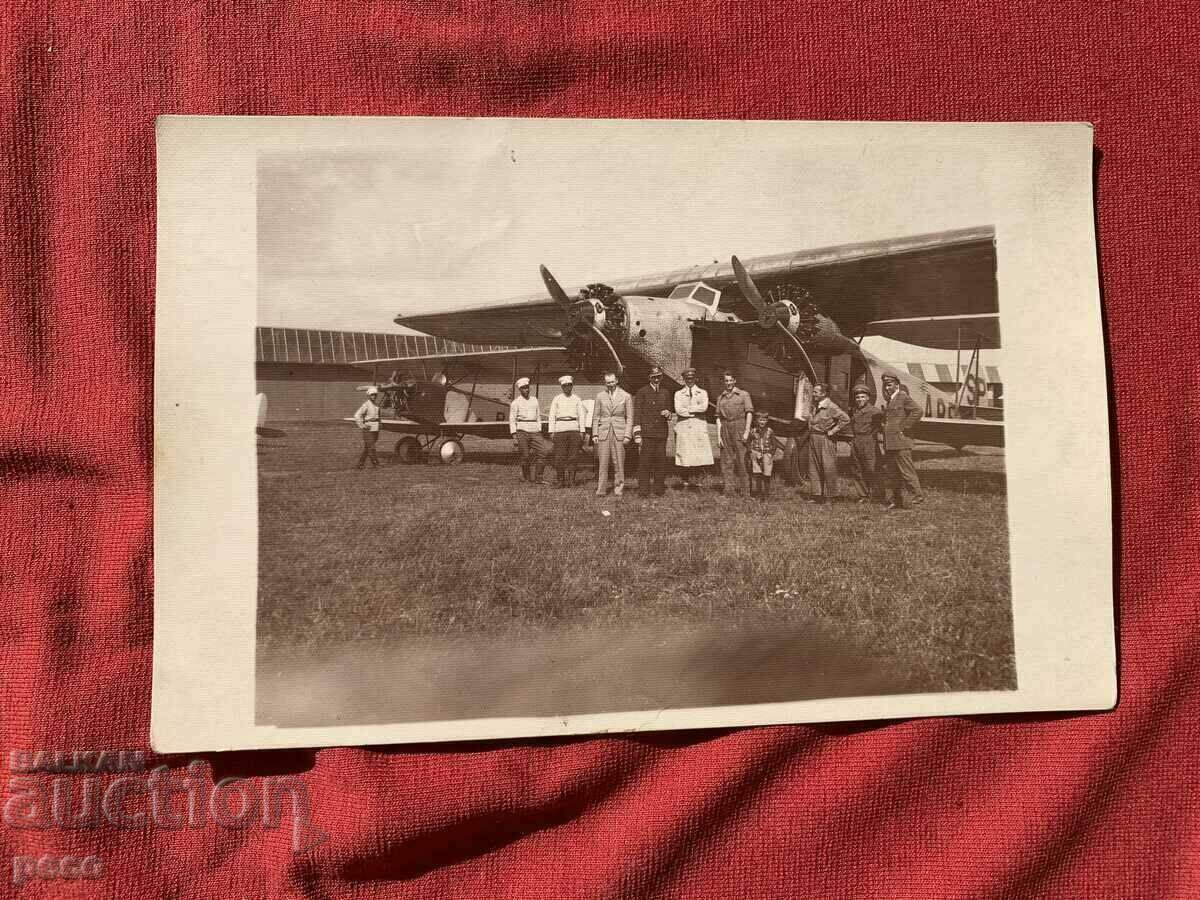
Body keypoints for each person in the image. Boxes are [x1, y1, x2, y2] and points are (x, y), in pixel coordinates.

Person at [880, 373, 924, 509]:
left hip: (901, 442)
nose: (887, 388)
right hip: (891, 443)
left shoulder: (902, 396)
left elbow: (918, 411)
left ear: (896, 385)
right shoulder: (890, 400)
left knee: (906, 471)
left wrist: (904, 427)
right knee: (893, 473)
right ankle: (896, 500)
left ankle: (918, 496)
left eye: (889, 384)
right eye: (885, 385)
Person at [632, 365, 672, 497]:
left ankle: (659, 489)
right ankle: (643, 490)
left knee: (661, 462)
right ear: (649, 377)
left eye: (659, 377)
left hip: (661, 433)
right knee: (645, 463)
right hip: (647, 433)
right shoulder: (642, 392)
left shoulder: (665, 392)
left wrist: (668, 413)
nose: (656, 380)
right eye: (654, 377)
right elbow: (637, 413)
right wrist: (637, 434)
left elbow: (669, 410)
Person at [806, 382, 849, 503]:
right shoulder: (815, 405)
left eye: (816, 392)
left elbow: (845, 419)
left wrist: (833, 431)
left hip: (826, 439)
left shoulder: (831, 406)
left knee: (828, 467)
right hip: (814, 437)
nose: (813, 394)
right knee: (813, 467)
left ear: (824, 393)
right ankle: (817, 495)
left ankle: (832, 496)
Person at [592, 372, 632, 496]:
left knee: (619, 462)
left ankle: (619, 488)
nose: (610, 385)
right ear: (605, 383)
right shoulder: (600, 396)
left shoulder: (626, 396)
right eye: (607, 382)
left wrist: (627, 435)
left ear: (617, 381)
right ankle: (601, 490)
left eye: (612, 382)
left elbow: (630, 418)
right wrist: (595, 434)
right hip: (604, 432)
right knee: (603, 463)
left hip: (619, 432)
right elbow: (596, 416)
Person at [715, 370, 754, 496]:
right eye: (726, 381)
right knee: (726, 461)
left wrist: (747, 431)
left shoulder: (743, 395)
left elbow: (749, 413)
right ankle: (728, 490)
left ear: (735, 380)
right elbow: (718, 417)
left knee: (742, 460)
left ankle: (746, 491)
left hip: (739, 427)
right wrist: (718, 436)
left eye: (731, 380)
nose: (728, 383)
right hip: (725, 428)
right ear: (723, 382)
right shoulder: (720, 398)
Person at [673, 368, 713, 489]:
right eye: (687, 379)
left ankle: (698, 482)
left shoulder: (703, 393)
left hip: (698, 426)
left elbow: (704, 407)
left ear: (695, 379)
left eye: (691, 378)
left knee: (699, 454)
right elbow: (678, 410)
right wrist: (695, 410)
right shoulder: (678, 394)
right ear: (684, 379)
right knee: (684, 454)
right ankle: (685, 482)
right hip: (684, 427)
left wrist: (688, 409)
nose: (689, 381)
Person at [548, 374, 587, 488]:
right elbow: (552, 415)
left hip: (574, 429)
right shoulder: (557, 399)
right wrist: (551, 431)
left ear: (572, 386)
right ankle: (560, 480)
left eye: (569, 385)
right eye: (564, 386)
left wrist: (582, 431)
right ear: (561, 387)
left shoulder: (577, 399)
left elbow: (581, 415)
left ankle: (571, 481)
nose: (567, 387)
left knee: (573, 456)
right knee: (559, 457)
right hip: (560, 429)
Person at [847, 382, 884, 502]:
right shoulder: (854, 411)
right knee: (856, 469)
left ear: (868, 398)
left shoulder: (875, 412)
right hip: (856, 441)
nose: (860, 399)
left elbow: (882, 427)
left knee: (872, 469)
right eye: (857, 397)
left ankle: (878, 495)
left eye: (863, 397)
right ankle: (863, 495)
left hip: (869, 442)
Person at [508, 376, 549, 484]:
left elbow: (538, 416)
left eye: (527, 387)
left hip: (535, 430)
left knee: (543, 452)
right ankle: (525, 477)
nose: (526, 389)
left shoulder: (534, 400)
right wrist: (514, 435)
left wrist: (539, 429)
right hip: (522, 430)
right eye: (523, 388)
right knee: (525, 455)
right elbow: (512, 419)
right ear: (519, 390)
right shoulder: (515, 403)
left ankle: (538, 478)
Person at [747, 409, 783, 501]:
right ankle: (758, 493)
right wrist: (751, 452)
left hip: (767, 453)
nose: (762, 422)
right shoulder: (753, 431)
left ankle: (766, 494)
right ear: (756, 421)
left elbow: (774, 444)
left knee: (767, 474)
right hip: (756, 453)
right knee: (757, 474)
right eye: (760, 420)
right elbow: (748, 442)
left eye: (764, 420)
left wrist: (771, 453)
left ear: (767, 421)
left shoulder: (770, 431)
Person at [353, 386, 383, 469]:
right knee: (371, 447)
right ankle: (376, 464)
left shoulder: (377, 405)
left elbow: (378, 416)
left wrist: (380, 424)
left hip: (375, 428)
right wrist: (362, 425)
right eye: (372, 395)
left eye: (375, 395)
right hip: (368, 428)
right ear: (369, 396)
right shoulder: (366, 405)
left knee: (368, 447)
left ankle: (360, 464)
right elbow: (357, 415)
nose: (374, 396)